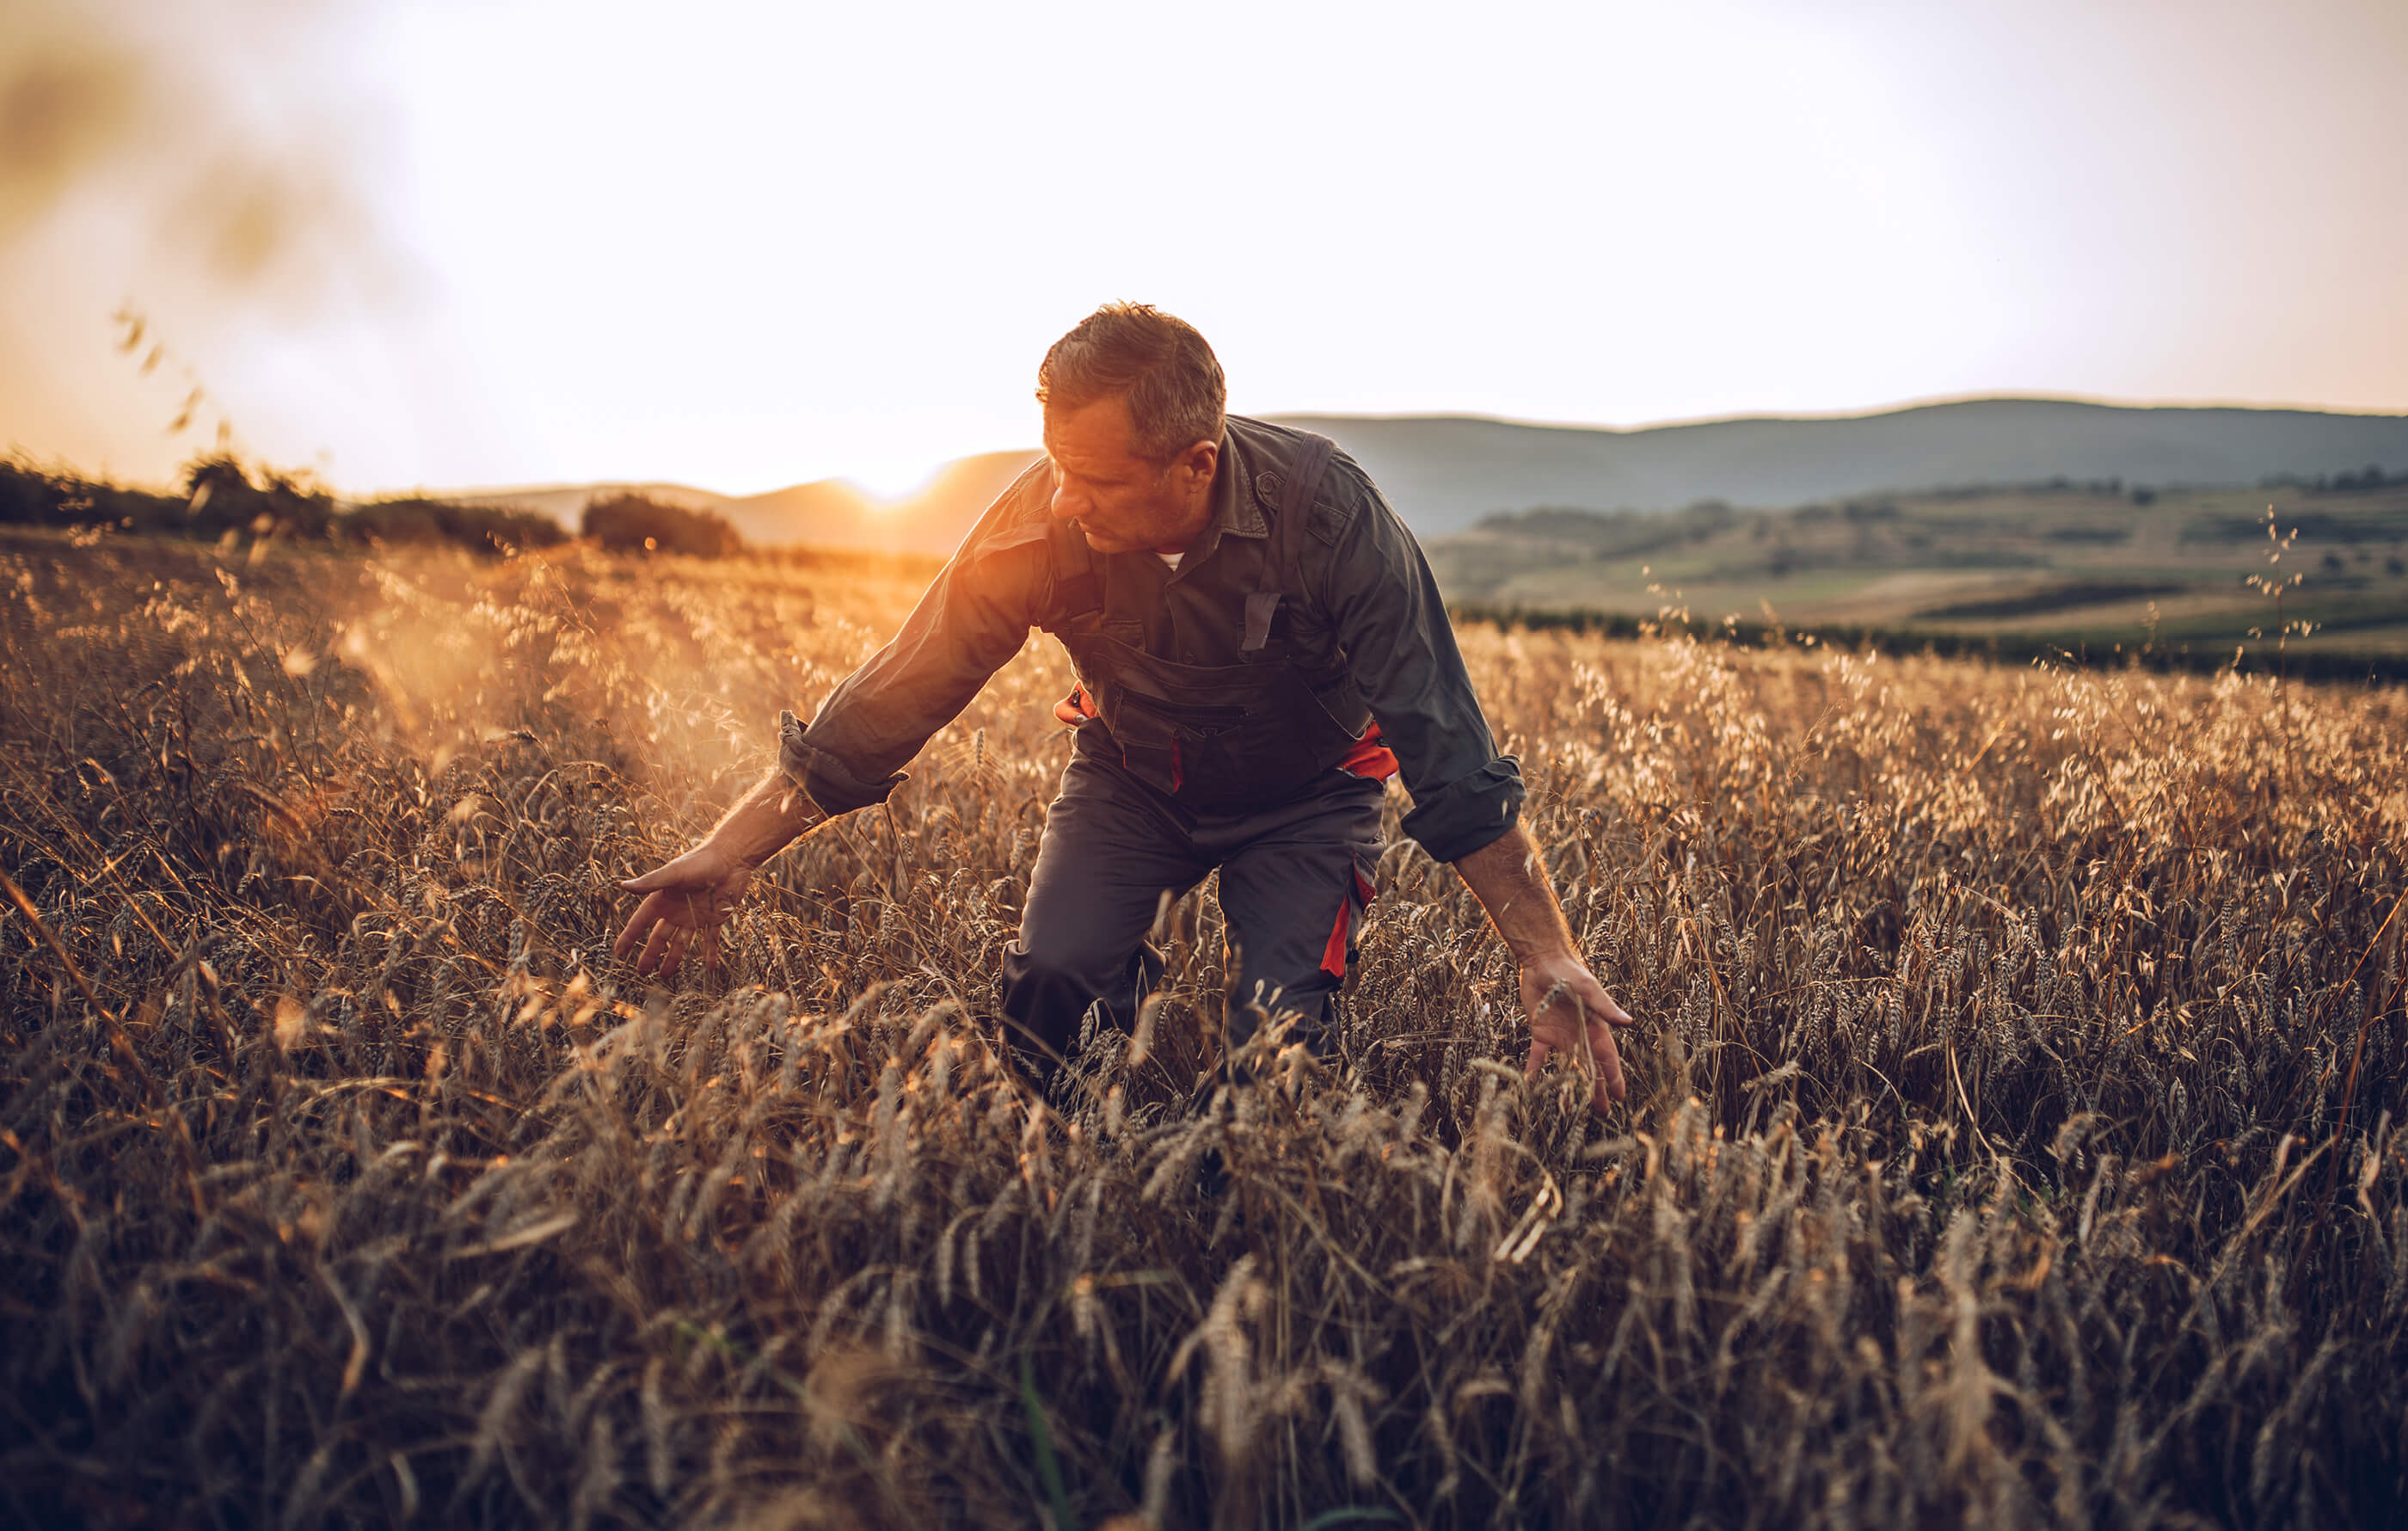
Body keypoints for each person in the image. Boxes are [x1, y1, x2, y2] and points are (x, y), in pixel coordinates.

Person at [612, 304, 1639, 1111]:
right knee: (1047, 990)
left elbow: (1447, 749)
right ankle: (1087, 1176)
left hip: (1310, 798)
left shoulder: (1331, 517)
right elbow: (899, 693)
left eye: (1093, 478)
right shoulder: (1038, 520)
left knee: (1281, 1053)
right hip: (1131, 782)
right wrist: (734, 845)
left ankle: (1232, 1205)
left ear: (1195, 465)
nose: (1063, 500)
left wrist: (1544, 953)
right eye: (1055, 465)